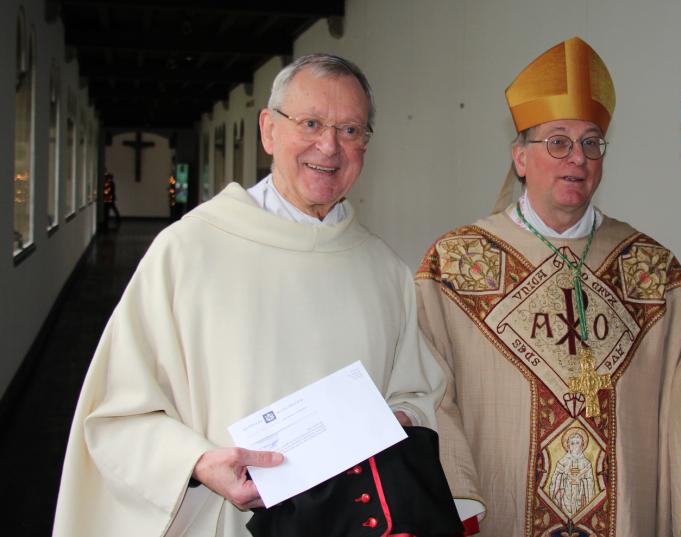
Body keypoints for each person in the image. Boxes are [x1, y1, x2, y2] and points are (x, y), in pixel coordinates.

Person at [53, 54, 458, 537]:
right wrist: (199, 462)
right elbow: (117, 413)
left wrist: (390, 417)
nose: (329, 147)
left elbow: (416, 392)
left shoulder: (385, 270)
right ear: (269, 130)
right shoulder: (186, 252)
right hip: (225, 520)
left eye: (351, 130)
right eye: (310, 123)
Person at [415, 37, 681, 536]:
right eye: (557, 141)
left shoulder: (651, 268)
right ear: (520, 157)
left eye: (591, 142)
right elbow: (428, 389)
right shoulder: (456, 263)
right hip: (500, 513)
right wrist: (456, 499)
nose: (577, 158)